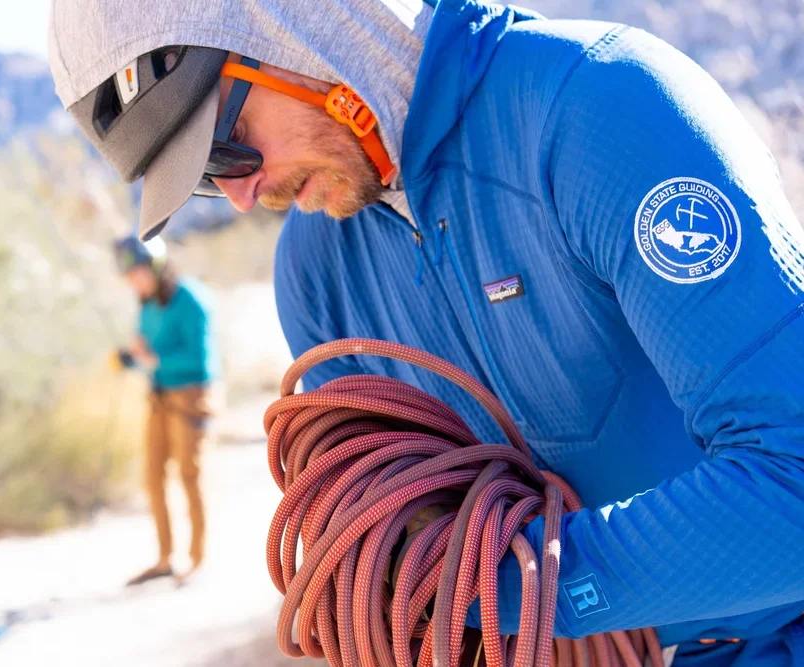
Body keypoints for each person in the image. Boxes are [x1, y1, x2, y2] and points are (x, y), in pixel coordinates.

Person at [50, 1, 804, 663]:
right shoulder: (315, 276)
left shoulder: (602, 110)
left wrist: (512, 591)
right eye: (206, 182)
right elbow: (400, 540)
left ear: (298, 26)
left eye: (227, 145)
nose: (243, 193)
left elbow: (792, 482)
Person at [112, 234, 220, 585]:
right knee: (153, 477)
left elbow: (201, 360)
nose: (133, 282)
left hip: (192, 399)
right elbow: (148, 353)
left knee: (190, 476)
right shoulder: (145, 303)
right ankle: (164, 559)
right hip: (159, 398)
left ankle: (197, 560)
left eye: (137, 273)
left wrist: (154, 359)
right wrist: (130, 358)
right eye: (128, 277)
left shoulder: (191, 299)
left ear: (156, 267)